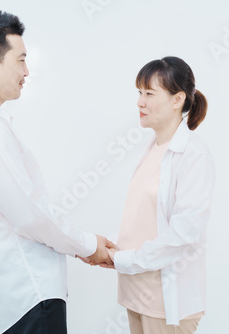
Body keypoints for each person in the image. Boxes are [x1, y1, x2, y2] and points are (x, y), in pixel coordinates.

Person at [0, 9, 113, 334]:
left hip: (6, 304)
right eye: (20, 60)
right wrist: (88, 246)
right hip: (27, 300)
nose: (27, 71)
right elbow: (31, 214)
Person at [95, 56, 216, 334]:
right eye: (139, 92)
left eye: (150, 93)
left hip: (166, 303)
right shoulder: (152, 147)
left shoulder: (194, 155)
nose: (140, 102)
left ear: (177, 99)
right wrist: (117, 251)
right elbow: (143, 218)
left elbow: (184, 234)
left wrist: (122, 259)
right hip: (136, 293)